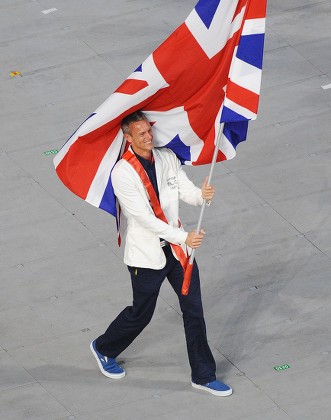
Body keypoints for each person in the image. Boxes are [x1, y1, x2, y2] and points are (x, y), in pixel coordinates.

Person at [90, 111, 232, 397]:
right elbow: (144, 218)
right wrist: (184, 236)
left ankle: (203, 375)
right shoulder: (122, 173)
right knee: (141, 313)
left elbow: (182, 188)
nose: (148, 137)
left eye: (149, 131)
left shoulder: (166, 157)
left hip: (179, 252)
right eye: (141, 133)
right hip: (147, 256)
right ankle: (104, 347)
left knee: (194, 311)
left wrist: (200, 195)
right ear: (127, 137)